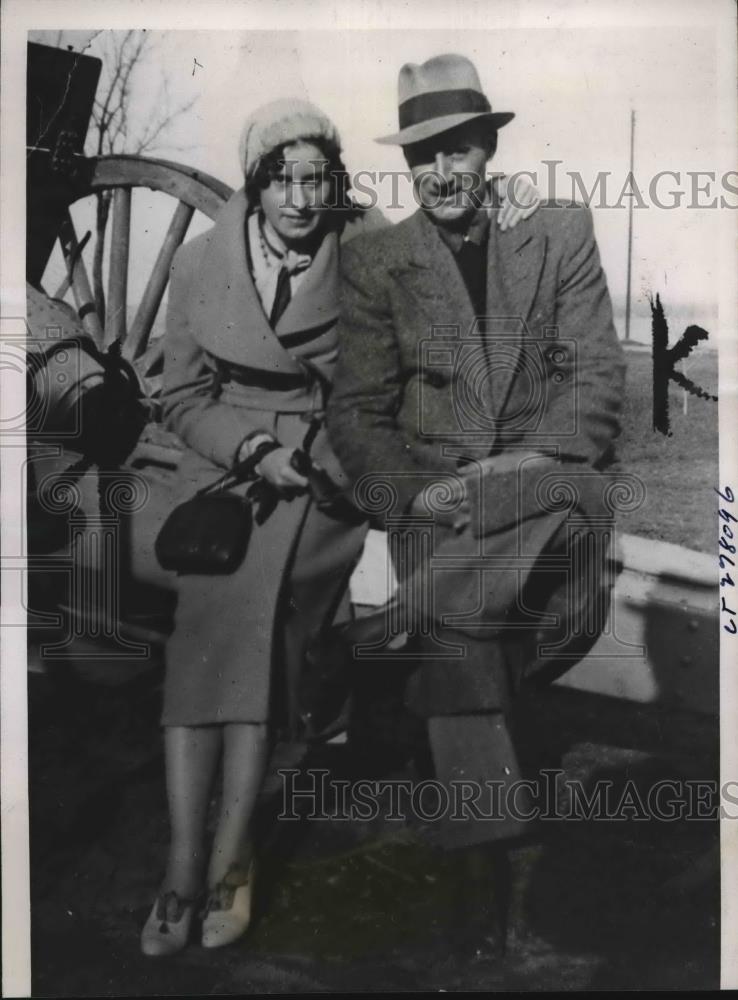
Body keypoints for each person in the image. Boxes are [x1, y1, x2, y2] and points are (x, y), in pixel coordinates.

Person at [141, 95, 541, 957]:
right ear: (256, 185)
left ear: (334, 183)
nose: (298, 197)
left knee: (251, 641)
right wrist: (250, 447)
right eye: (281, 179)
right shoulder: (203, 264)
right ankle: (188, 864)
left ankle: (230, 861)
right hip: (228, 471)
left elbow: (385, 382)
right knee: (212, 644)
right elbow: (180, 397)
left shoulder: (364, 254)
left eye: (315, 177)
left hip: (324, 478)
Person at [326, 53, 626, 937]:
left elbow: (597, 379)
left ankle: (392, 626)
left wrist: (522, 465)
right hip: (443, 506)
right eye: (424, 156)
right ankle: (481, 862)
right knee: (465, 638)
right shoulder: (378, 261)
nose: (442, 171)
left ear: (488, 150)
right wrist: (416, 500)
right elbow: (357, 412)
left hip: (550, 494)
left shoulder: (560, 231)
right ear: (408, 167)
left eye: (458, 148)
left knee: (560, 514)